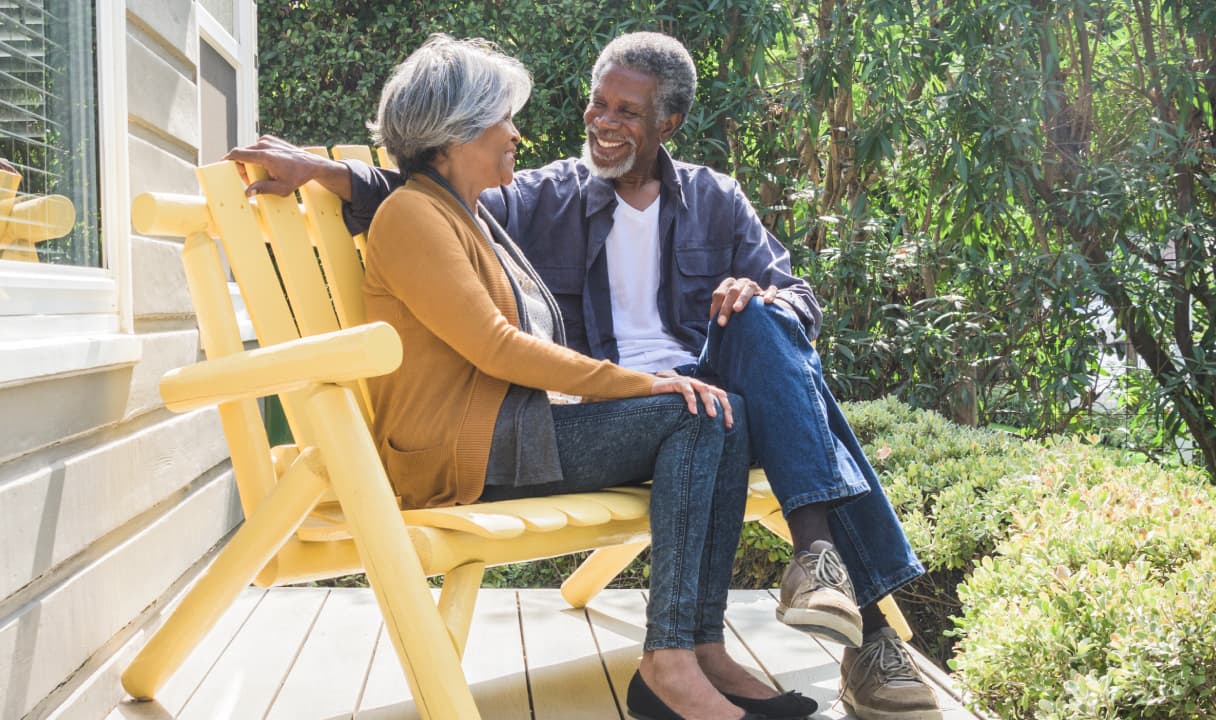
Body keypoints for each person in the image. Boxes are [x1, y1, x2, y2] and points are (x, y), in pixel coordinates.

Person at [228, 31, 941, 720]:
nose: (595, 123)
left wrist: (760, 297)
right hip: (576, 414)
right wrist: (332, 172)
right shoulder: (528, 199)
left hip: (668, 398)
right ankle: (817, 631)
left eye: (626, 111)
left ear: (671, 121)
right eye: (595, 104)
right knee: (719, 409)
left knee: (761, 328)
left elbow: (799, 301)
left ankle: (759, 599)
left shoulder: (714, 199)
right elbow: (433, 213)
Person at [332, 34, 818, 720]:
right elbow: (497, 348)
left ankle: (698, 649)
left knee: (719, 410)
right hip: (462, 451)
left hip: (508, 431)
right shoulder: (415, 216)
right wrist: (639, 383)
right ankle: (670, 665)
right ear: (456, 132)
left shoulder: (467, 216)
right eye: (503, 118)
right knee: (692, 409)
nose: (517, 133)